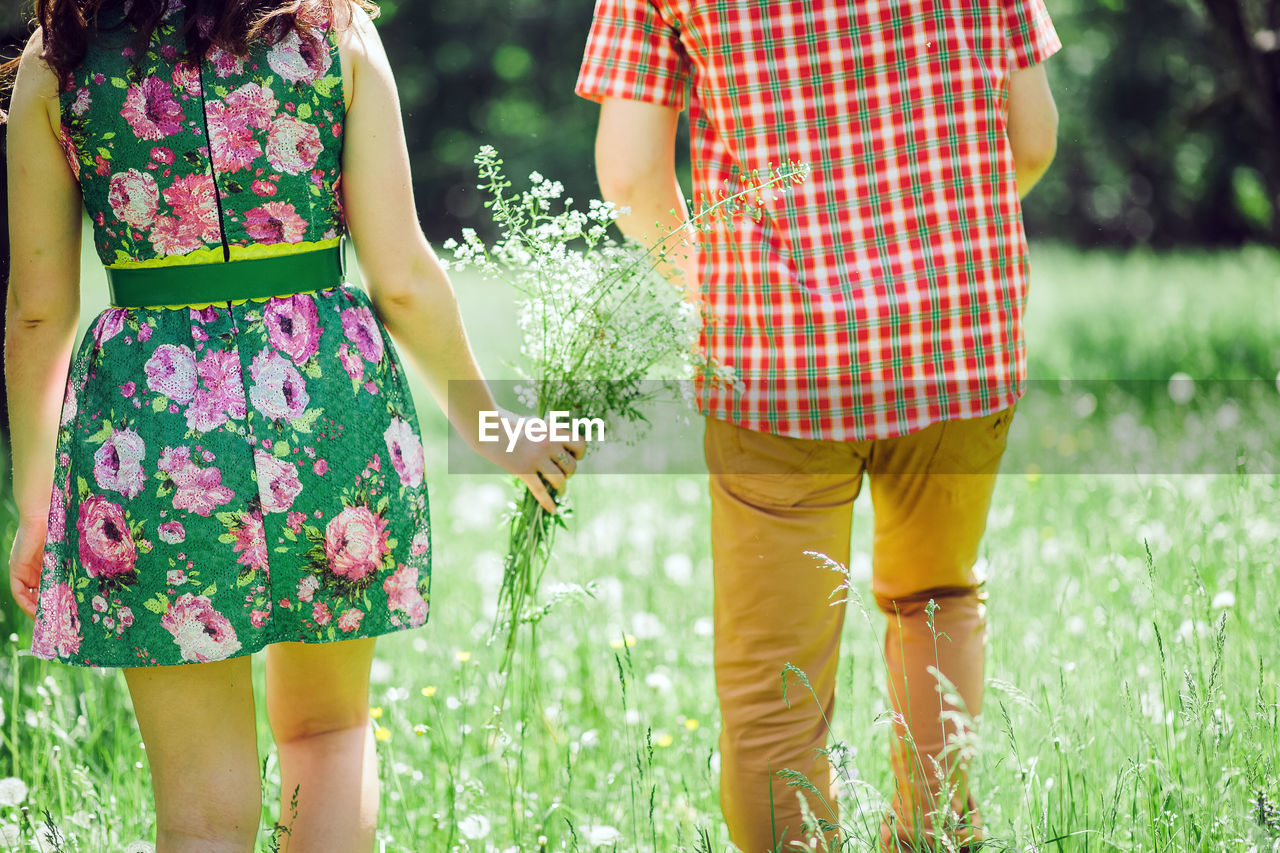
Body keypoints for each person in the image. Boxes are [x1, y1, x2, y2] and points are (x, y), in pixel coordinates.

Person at [5, 1, 583, 849]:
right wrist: (497, 431)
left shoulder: (61, 55)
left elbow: (34, 314)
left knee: (201, 811)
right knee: (329, 734)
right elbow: (406, 281)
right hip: (324, 404)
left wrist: (35, 503)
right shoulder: (331, 30)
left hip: (153, 433)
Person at [576, 1, 1059, 850]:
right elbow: (1033, 136)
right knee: (937, 597)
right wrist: (931, 243)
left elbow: (628, 174)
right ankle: (934, 837)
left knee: (774, 687)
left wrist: (708, 286)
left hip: (777, 357)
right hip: (958, 335)